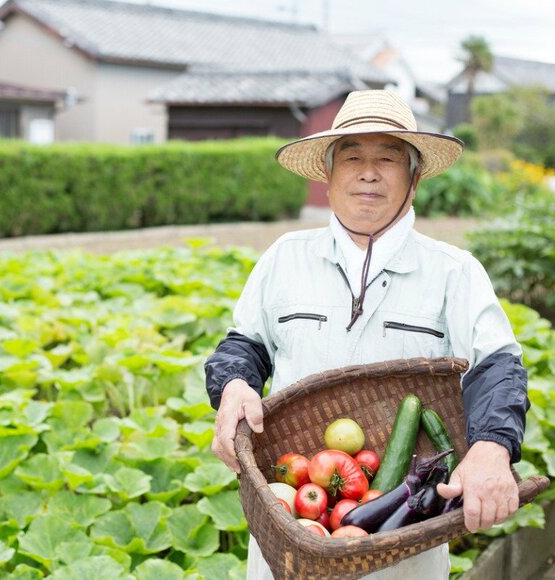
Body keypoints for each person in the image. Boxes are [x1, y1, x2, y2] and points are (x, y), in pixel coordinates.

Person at [204, 90, 529, 579]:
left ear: (415, 179)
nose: (368, 172)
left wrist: (492, 447)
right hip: (293, 524)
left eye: (388, 158)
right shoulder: (284, 258)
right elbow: (243, 346)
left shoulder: (453, 272)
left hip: (401, 528)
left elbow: (497, 367)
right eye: (352, 156)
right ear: (329, 177)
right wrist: (233, 386)